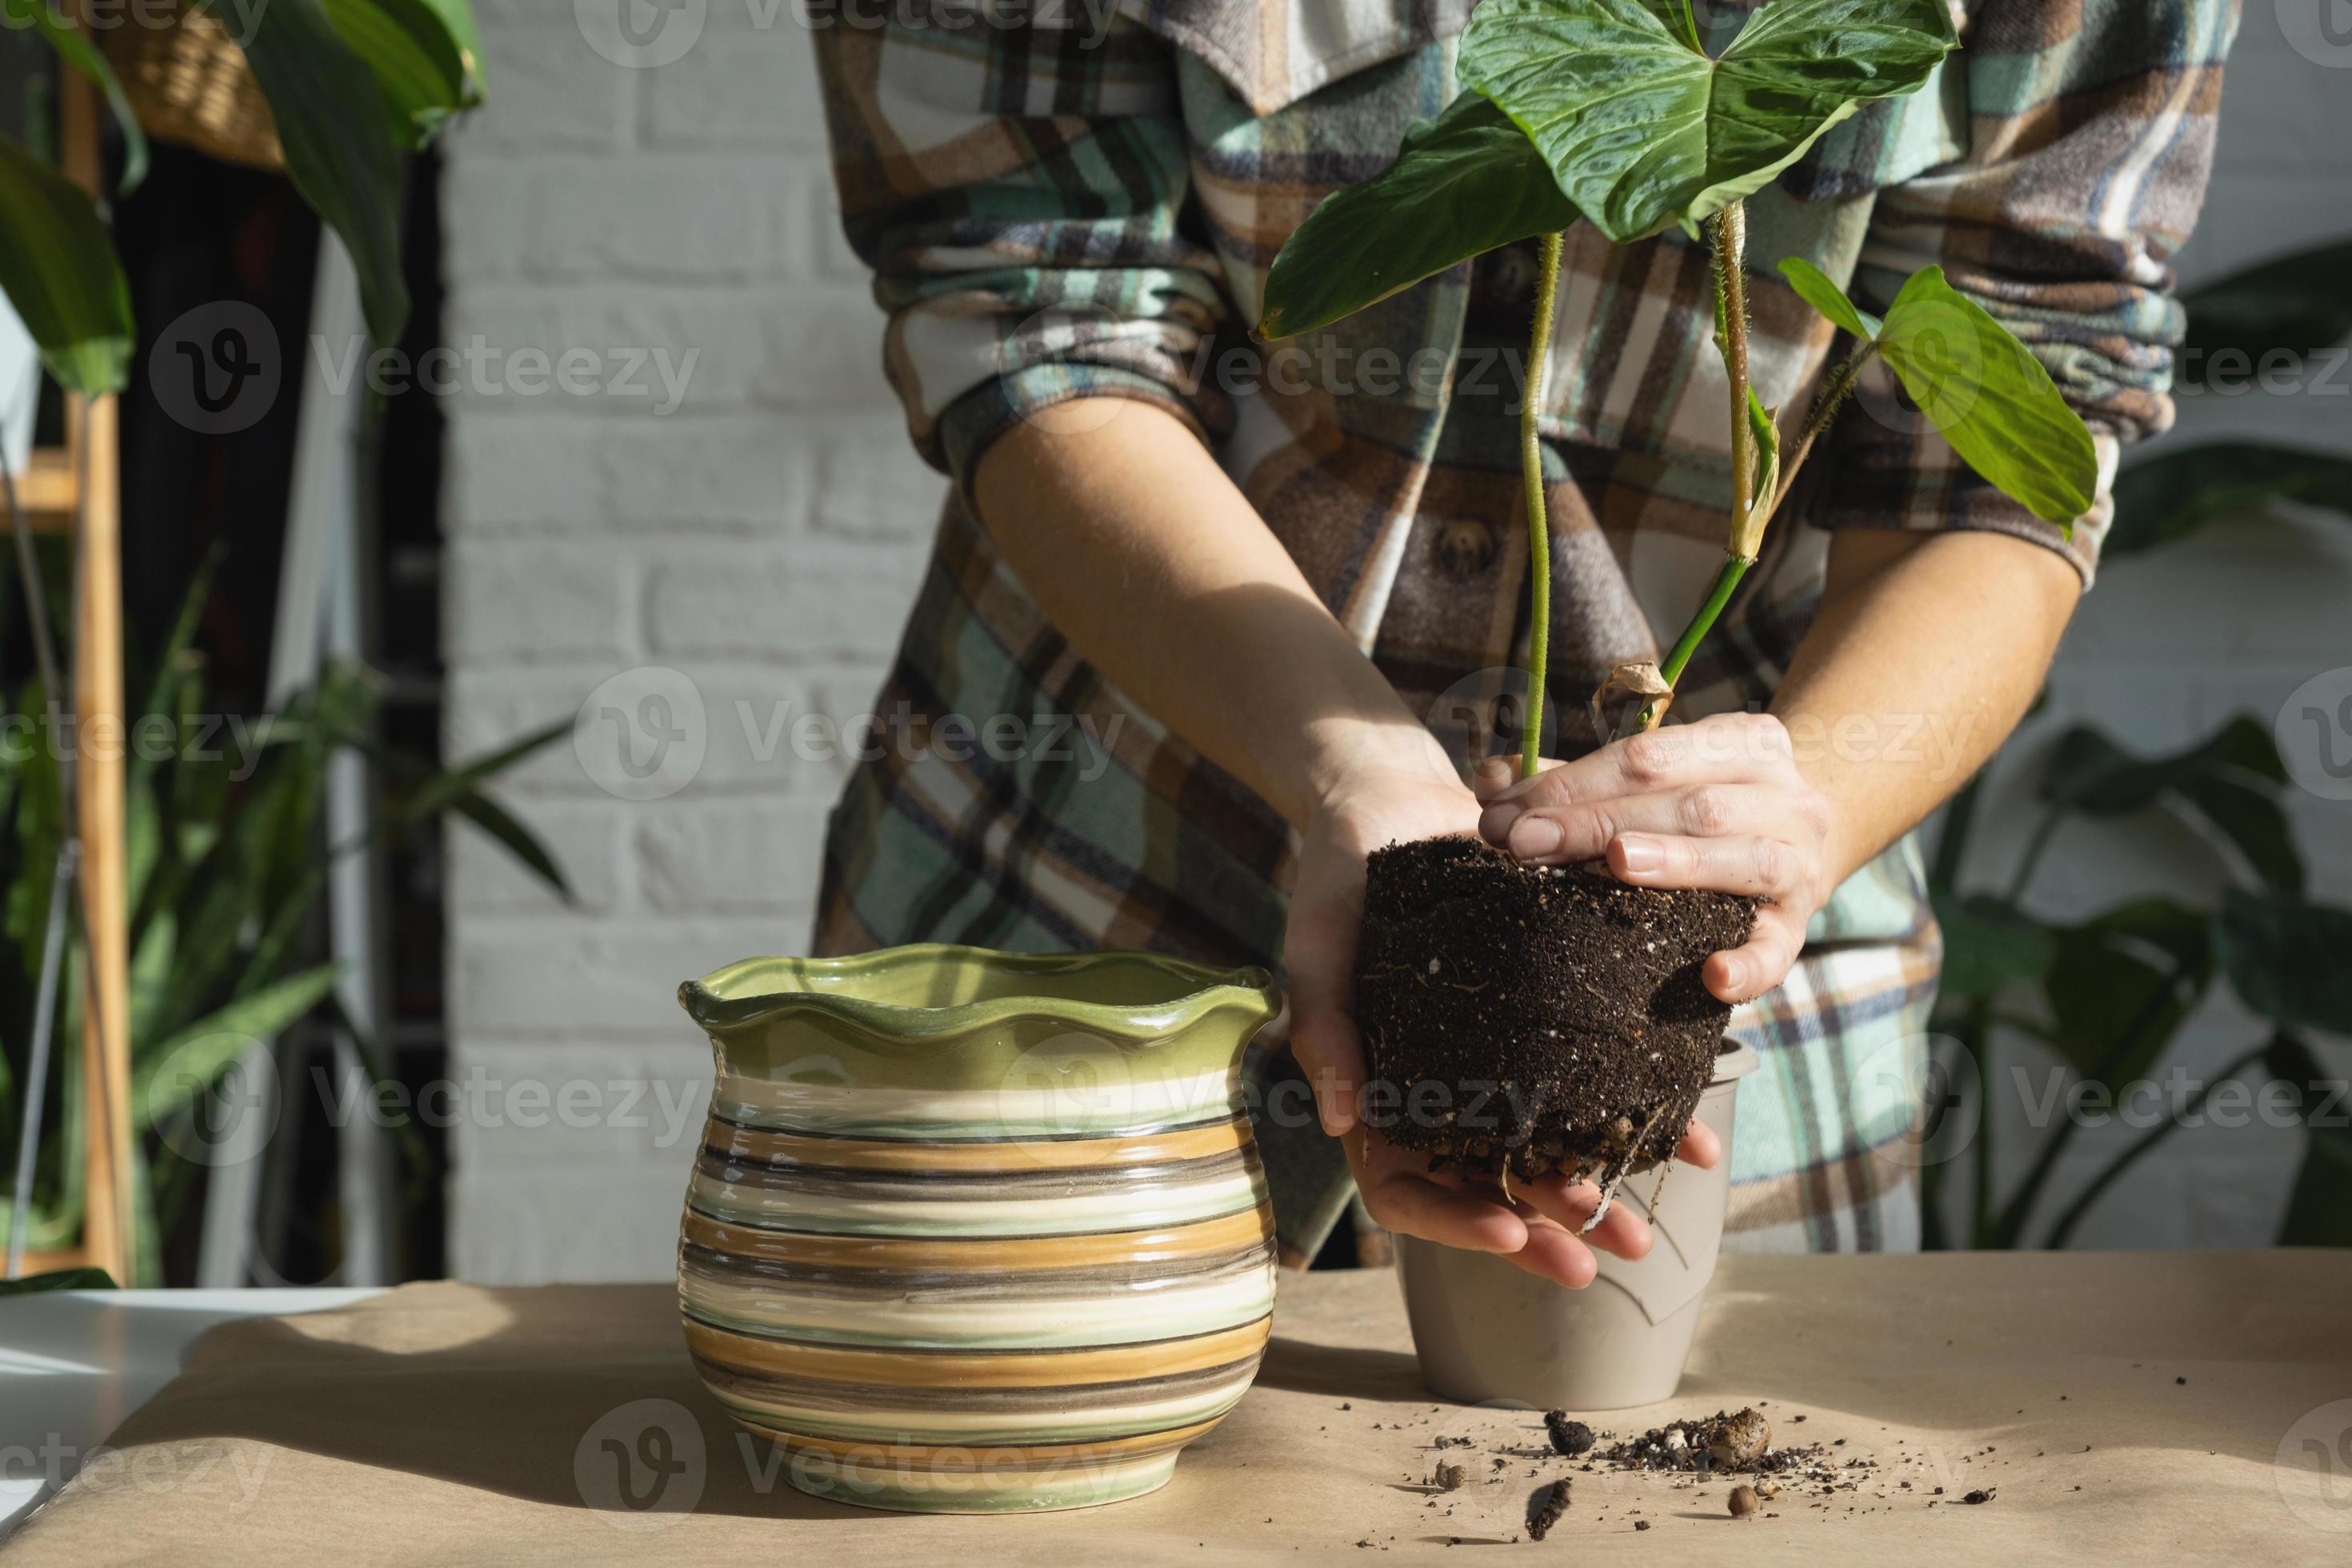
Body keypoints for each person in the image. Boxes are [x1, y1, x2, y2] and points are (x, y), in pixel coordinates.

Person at [807, 0, 2235, 1281]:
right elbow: (1033, 306)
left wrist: (1802, 806)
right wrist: (1349, 765)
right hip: (1099, 903)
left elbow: (2026, 410)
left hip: (1731, 988)